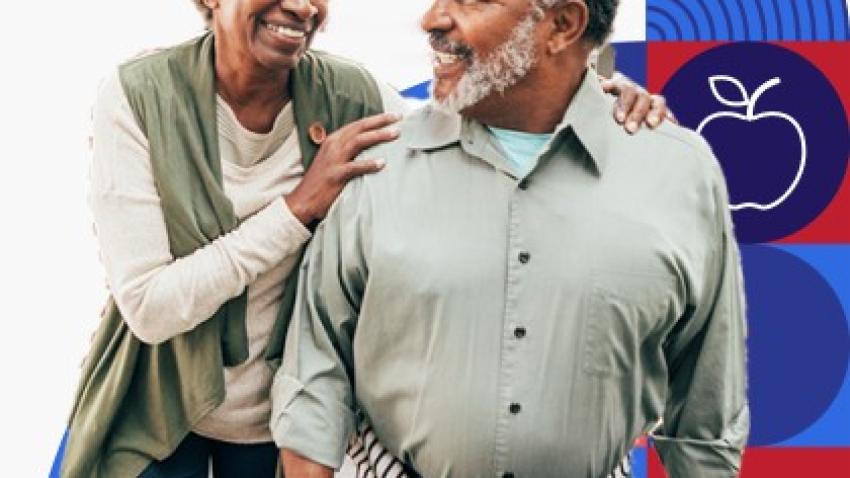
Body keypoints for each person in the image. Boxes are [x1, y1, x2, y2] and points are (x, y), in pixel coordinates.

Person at [61, 0, 671, 476]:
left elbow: (466, 137)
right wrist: (299, 208)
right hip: (158, 412)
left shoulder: (350, 94)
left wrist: (585, 99)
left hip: (285, 424)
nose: (302, 7)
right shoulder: (138, 97)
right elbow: (150, 307)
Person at [272, 0, 749, 477]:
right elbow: (315, 372)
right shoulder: (376, 166)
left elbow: (706, 412)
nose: (432, 19)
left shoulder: (680, 173)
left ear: (562, 25)